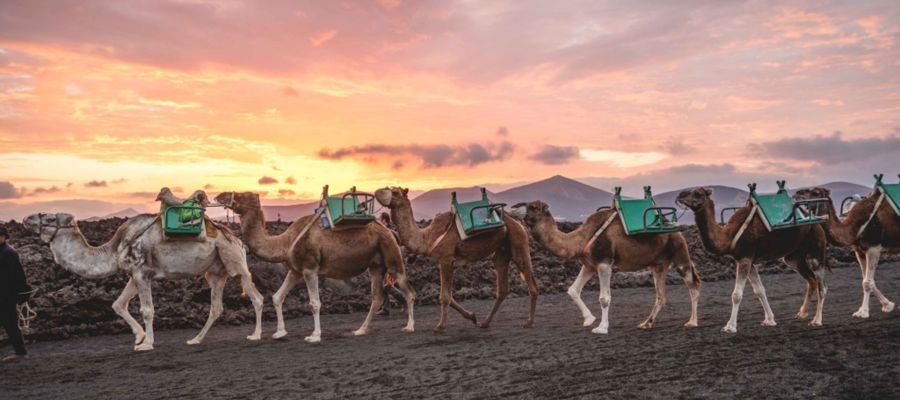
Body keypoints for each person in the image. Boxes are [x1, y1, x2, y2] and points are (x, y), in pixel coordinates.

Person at [0, 226, 29, 361]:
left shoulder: (9, 253)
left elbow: (18, 276)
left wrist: (21, 295)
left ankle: (20, 352)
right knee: (10, 324)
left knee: (10, 324)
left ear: (4, 236)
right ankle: (20, 352)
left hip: (6, 295)